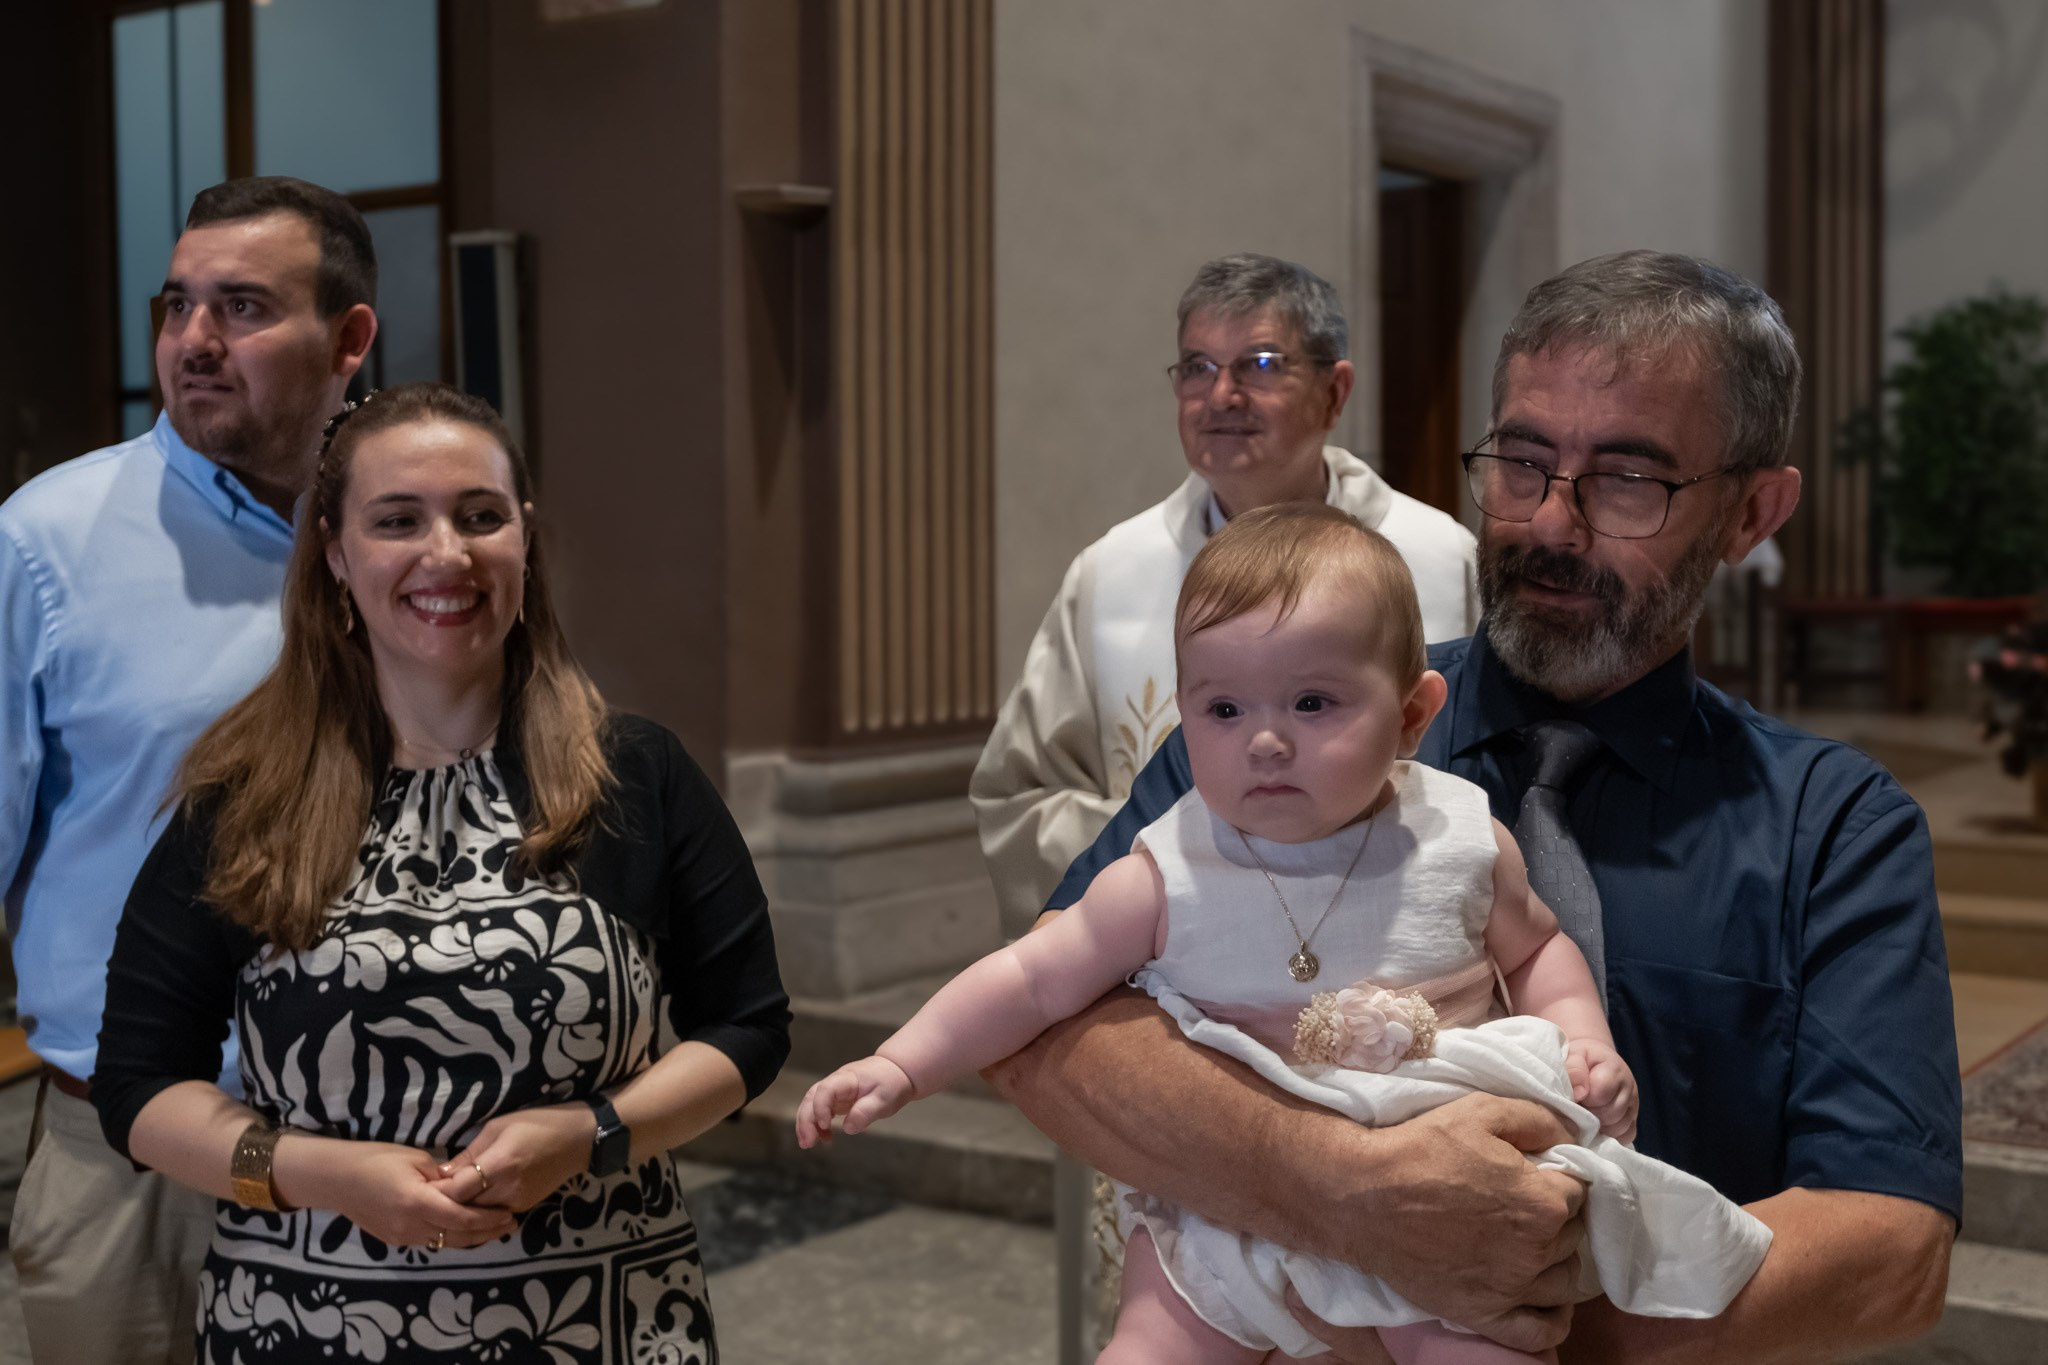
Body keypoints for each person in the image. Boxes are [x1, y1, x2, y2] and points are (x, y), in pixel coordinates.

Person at [991, 252, 1961, 1362]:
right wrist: (1347, 1202)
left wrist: (1500, 1310)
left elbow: (1892, 1247)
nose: (1549, 523)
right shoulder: (1279, 739)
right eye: (1521, 462)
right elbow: (1044, 1033)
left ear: (1751, 512)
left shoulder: (1832, 827)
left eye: (1627, 478)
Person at [799, 505, 1770, 1363]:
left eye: (1312, 703)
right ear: (1183, 715)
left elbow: (1537, 950)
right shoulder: (1164, 871)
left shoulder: (1461, 837)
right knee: (1144, 1350)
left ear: (1409, 715)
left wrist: (1584, 1046)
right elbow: (1028, 983)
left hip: (1436, 1190)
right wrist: (902, 1063)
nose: (1264, 740)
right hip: (1225, 1208)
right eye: (1222, 709)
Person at [93, 383, 790, 1363]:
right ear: (335, 552)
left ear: (524, 537)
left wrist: (593, 1133)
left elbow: (748, 1028)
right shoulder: (244, 797)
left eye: (479, 516)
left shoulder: (637, 773)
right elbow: (138, 1082)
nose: (446, 555)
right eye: (397, 521)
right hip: (303, 1327)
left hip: (604, 1326)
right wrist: (321, 1174)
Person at [0, 175, 378, 1363]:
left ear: (349, 339)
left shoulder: (407, 540)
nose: (196, 343)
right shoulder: (47, 544)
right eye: (178, 307)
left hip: (380, 1141)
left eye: (246, 309)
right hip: (134, 1163)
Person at [972, 253, 1480, 938]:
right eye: (1197, 368)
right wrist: (1195, 852)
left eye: (1261, 365)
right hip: (1170, 952)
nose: (1222, 396)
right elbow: (1021, 799)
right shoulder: (1111, 571)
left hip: (1392, 940)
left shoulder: (1439, 558)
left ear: (1335, 392)